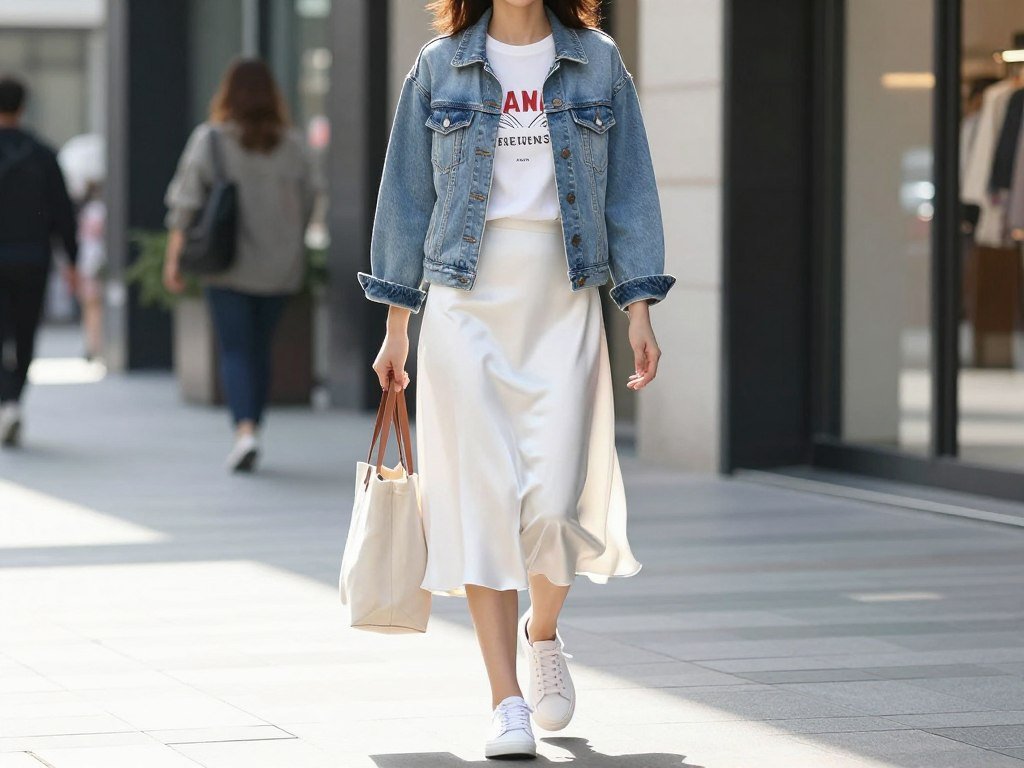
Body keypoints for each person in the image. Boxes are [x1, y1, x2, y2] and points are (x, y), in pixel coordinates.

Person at [360, 0, 673, 759]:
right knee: (484, 501)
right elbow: (406, 198)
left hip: (563, 299)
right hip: (465, 308)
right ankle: (506, 701)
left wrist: (637, 306)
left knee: (556, 502)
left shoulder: (597, 60)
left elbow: (629, 188)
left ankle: (545, 632)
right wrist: (397, 324)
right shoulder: (439, 66)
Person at [163, 59, 317, 472]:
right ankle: (253, 426)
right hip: (280, 266)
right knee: (259, 350)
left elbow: (185, 203)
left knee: (235, 349)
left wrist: (174, 259)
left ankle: (245, 430)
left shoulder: (211, 140)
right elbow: (309, 202)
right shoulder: (295, 144)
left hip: (227, 266)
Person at [0, 75, 78, 448]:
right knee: (27, 332)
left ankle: (5, 401)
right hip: (33, 257)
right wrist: (73, 261)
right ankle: (14, 399)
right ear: (23, 107)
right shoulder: (43, 154)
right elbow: (64, 212)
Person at [77, 180, 106, 361]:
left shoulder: (88, 210)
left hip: (87, 263)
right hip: (96, 264)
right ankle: (95, 345)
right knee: (95, 307)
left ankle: (92, 344)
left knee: (90, 307)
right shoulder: (98, 210)